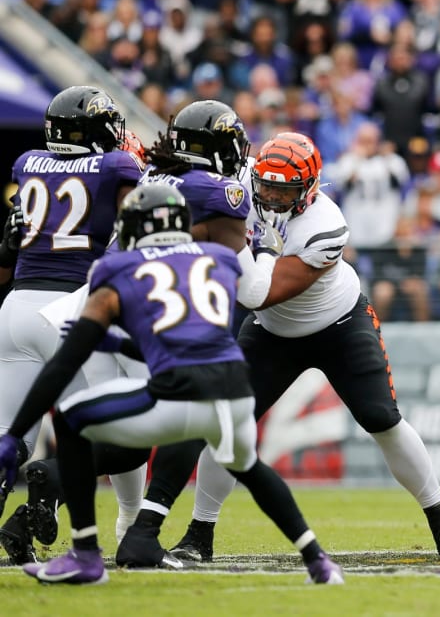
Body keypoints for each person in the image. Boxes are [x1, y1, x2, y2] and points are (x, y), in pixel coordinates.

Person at [0, 183, 343, 585]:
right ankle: (318, 561)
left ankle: (86, 555)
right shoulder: (219, 258)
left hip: (175, 396)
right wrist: (265, 252)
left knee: (73, 417)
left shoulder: (117, 269)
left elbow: (64, 363)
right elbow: (193, 335)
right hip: (231, 393)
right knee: (247, 465)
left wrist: (14, 435)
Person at [173, 132, 440, 559]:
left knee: (381, 418)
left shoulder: (325, 226)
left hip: (338, 323)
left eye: (285, 189)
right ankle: (199, 534)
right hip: (272, 331)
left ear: (309, 189)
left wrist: (252, 249)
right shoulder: (240, 183)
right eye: (268, 185)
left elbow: (261, 293)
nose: (273, 196)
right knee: (228, 425)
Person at [111, 99, 279, 568]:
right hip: (155, 318)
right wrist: (264, 248)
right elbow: (253, 292)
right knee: (199, 419)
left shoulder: (152, 177)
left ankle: (51, 495)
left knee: (127, 435)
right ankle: (142, 529)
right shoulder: (217, 190)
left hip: (103, 305)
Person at [0, 86, 147, 565]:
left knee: (8, 437)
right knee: (116, 433)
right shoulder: (115, 167)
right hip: (73, 310)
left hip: (17, 307)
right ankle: (120, 522)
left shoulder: (27, 164)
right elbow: (136, 227)